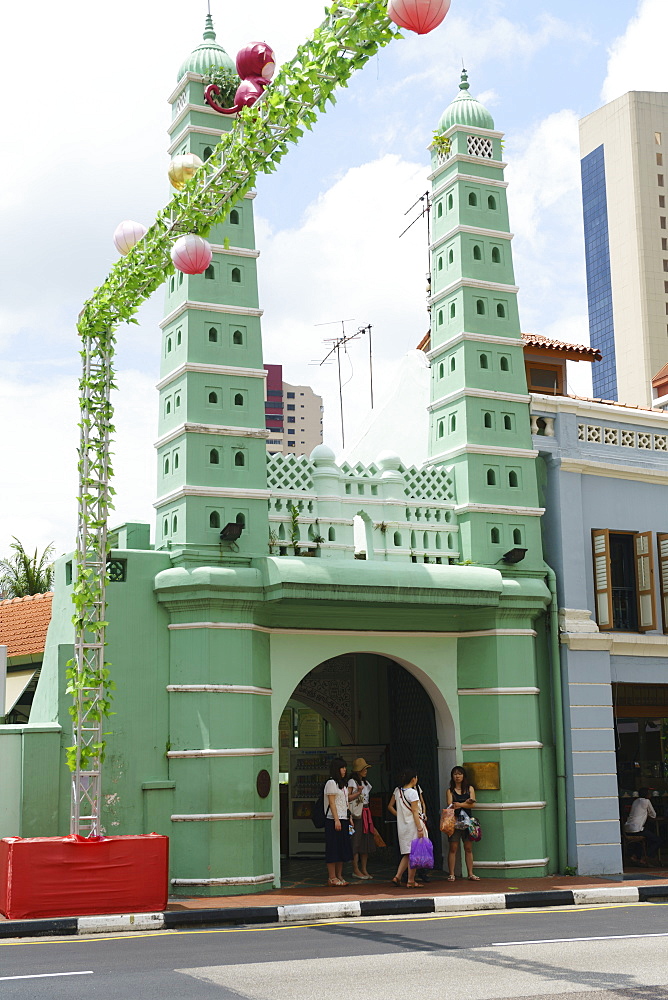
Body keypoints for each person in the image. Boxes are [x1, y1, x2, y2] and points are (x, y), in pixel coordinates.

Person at [388, 767, 426, 888]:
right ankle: (410, 880)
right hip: (413, 826)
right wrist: (420, 828)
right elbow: (415, 812)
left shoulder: (397, 791)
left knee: (407, 853)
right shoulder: (413, 793)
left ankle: (398, 876)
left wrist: (400, 816)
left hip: (403, 826)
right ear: (413, 779)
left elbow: (390, 806)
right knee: (415, 854)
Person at [446, 765, 479, 881]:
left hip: (468, 822)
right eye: (455, 774)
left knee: (468, 848)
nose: (457, 776)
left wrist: (459, 804)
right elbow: (451, 806)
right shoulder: (450, 791)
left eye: (459, 774)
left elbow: (472, 804)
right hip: (454, 822)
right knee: (453, 847)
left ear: (464, 775)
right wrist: (465, 803)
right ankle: (451, 874)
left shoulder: (470, 789)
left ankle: (471, 873)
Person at [323, 756, 353, 886]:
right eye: (342, 767)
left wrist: (349, 816)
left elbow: (345, 802)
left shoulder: (343, 784)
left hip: (344, 818)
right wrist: (336, 820)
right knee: (333, 847)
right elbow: (332, 802)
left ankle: (339, 875)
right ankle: (332, 877)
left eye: (345, 767)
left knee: (342, 848)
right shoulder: (331, 783)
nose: (344, 770)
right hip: (333, 819)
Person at [348, 757, 376, 880]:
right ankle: (355, 869)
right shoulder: (352, 782)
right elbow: (348, 798)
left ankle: (364, 869)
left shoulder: (365, 783)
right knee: (356, 842)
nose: (366, 771)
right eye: (364, 769)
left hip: (365, 812)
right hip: (357, 814)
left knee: (365, 842)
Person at [624, 787, 661, 865]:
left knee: (643, 838)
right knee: (657, 840)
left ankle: (636, 856)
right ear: (647, 795)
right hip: (636, 828)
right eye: (649, 793)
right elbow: (653, 815)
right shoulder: (646, 801)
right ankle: (645, 857)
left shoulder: (635, 801)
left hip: (628, 828)